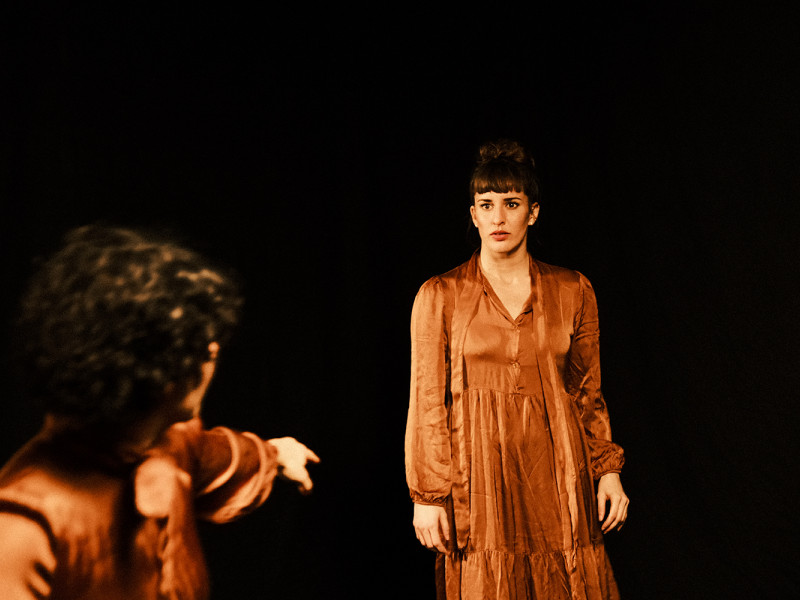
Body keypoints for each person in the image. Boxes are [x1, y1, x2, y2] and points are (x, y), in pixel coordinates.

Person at [0, 225, 320, 599]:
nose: (213, 351)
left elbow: (221, 456)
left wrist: (277, 454)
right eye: (194, 344)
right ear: (149, 367)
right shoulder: (24, 522)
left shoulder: (171, 443)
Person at [405, 140, 628, 599]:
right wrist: (427, 496)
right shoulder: (440, 295)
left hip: (559, 477)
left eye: (511, 203)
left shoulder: (573, 289)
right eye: (487, 205)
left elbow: (587, 392)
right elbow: (426, 402)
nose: (498, 218)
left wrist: (607, 470)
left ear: (533, 212)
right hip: (479, 484)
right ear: (473, 215)